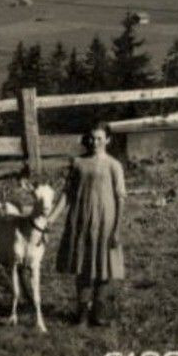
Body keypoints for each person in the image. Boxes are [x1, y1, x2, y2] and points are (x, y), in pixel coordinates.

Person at [55, 120, 127, 327]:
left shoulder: (114, 165)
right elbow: (67, 194)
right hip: (80, 221)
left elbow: (120, 198)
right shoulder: (78, 163)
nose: (95, 142)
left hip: (105, 223)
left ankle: (101, 311)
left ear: (108, 140)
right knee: (83, 268)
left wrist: (117, 230)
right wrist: (51, 218)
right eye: (92, 138)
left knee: (104, 267)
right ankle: (83, 315)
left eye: (100, 139)